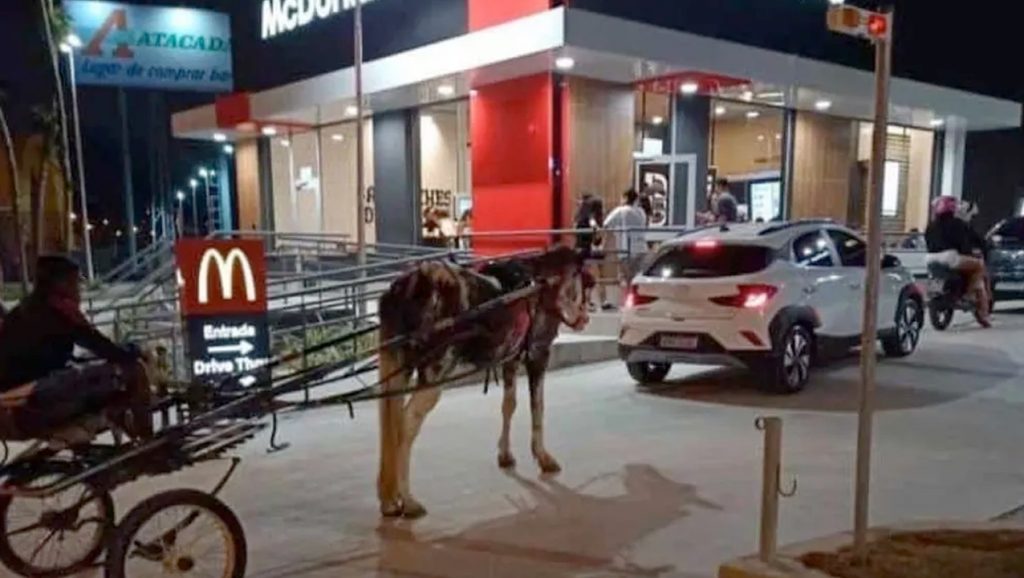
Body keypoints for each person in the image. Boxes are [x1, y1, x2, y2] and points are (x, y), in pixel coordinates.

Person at [0, 256, 153, 440]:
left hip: (17, 401)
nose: (78, 291)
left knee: (93, 370)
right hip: (34, 401)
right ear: (61, 284)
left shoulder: (24, 310)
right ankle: (147, 440)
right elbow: (103, 347)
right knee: (134, 369)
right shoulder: (61, 309)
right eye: (75, 283)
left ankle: (118, 417)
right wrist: (136, 350)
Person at [925, 196, 991, 327]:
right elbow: (965, 243)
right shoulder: (958, 224)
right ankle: (969, 294)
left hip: (931, 259)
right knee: (978, 266)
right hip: (952, 258)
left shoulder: (930, 226)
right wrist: (974, 251)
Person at [603, 189, 648, 293]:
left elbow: (606, 224)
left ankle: (628, 300)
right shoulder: (641, 212)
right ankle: (637, 300)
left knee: (627, 279)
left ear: (626, 198)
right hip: (641, 248)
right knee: (637, 279)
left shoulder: (620, 211)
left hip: (626, 249)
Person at [574, 195, 610, 310]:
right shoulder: (592, 219)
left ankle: (588, 301)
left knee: (587, 276)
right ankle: (600, 300)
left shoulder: (579, 217)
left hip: (581, 249)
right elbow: (597, 234)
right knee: (595, 276)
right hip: (589, 249)